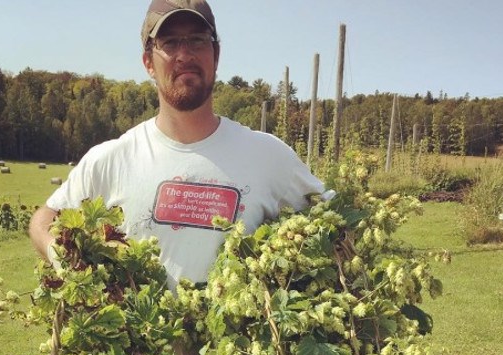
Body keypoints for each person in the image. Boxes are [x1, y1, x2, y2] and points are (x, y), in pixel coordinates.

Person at [29, 0, 327, 290]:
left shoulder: (268, 156)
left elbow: (337, 222)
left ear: (216, 55)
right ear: (148, 62)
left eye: (197, 41)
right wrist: (58, 252)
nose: (184, 54)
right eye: (170, 43)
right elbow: (45, 218)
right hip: (138, 339)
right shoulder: (110, 159)